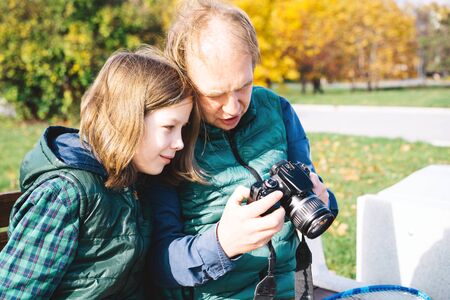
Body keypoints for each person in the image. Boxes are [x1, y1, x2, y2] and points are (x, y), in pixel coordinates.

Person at [147, 0, 339, 299]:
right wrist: (224, 243)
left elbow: (312, 192)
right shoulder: (170, 138)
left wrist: (322, 199)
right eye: (215, 94)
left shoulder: (277, 110)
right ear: (185, 76)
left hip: (288, 292)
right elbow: (157, 263)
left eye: (244, 86)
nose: (232, 106)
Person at [0, 46, 201, 299]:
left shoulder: (135, 182)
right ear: (127, 119)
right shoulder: (65, 195)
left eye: (182, 128)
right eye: (169, 127)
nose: (179, 143)